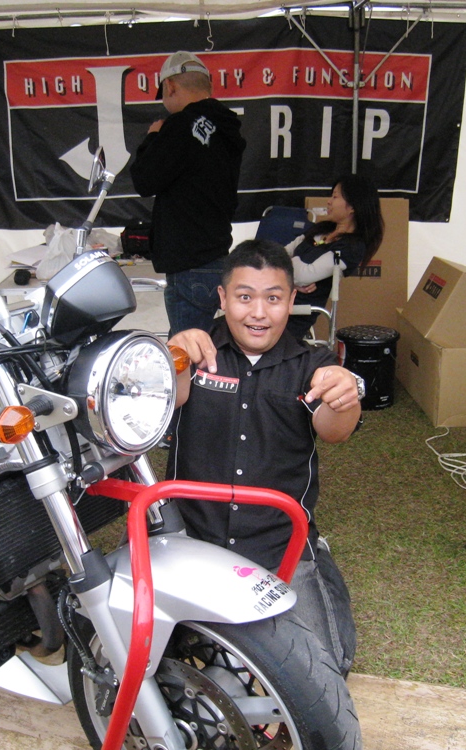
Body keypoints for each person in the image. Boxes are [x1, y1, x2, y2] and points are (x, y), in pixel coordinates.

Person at [166, 239, 364, 676]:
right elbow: (168, 401)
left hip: (280, 543)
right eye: (244, 297)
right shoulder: (193, 352)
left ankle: (317, 558)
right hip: (192, 542)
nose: (258, 313)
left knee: (325, 669)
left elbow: (336, 431)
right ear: (222, 298)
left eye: (273, 299)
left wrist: (345, 395)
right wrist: (173, 360)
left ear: (291, 301)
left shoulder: (313, 363)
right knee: (151, 655)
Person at [130, 51, 246, 336]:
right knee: (202, 344)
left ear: (170, 86)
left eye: (163, 93)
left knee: (188, 352)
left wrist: (153, 137)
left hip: (188, 261)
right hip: (216, 256)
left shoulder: (181, 124)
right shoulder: (227, 127)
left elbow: (144, 180)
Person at [284, 175, 384, 341]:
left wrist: (288, 267)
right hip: (276, 299)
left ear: (352, 206)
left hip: (292, 316)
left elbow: (302, 275)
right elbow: (281, 253)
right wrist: (290, 281)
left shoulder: (351, 248)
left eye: (335, 197)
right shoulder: (321, 229)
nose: (329, 202)